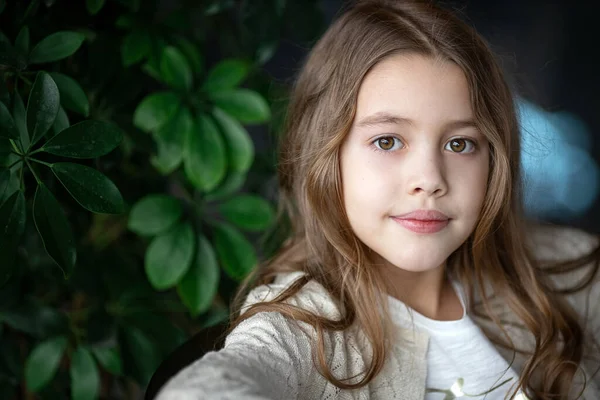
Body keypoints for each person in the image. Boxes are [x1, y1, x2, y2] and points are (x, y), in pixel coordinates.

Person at [157, 0, 600, 398]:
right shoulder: (302, 327)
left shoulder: (572, 272)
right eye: (388, 141)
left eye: (460, 144)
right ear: (329, 157)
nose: (429, 180)